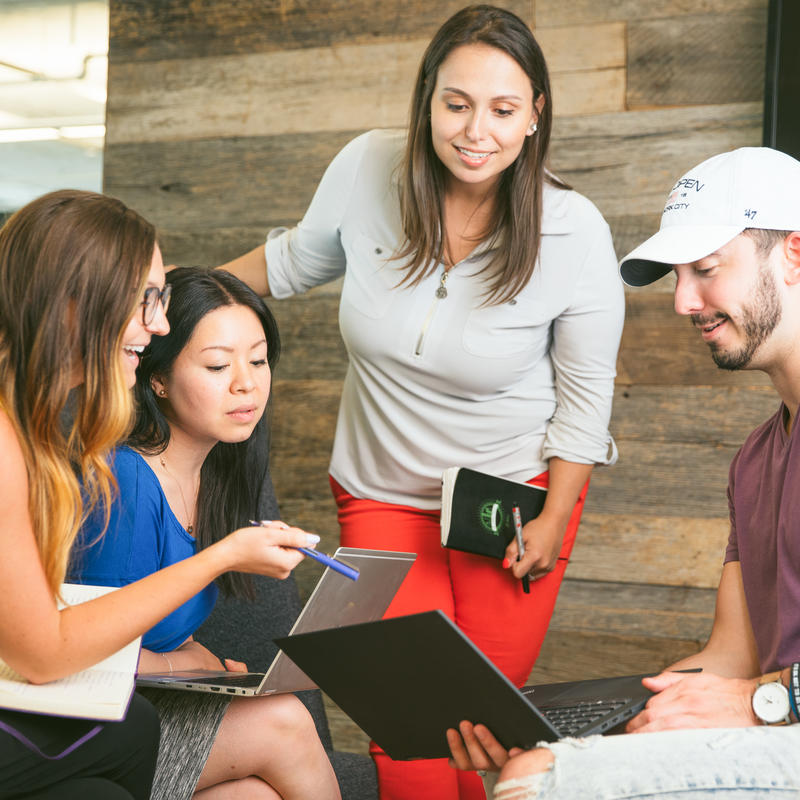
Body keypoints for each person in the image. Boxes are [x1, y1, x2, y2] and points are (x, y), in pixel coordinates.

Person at [219, 5, 624, 799]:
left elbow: (584, 400)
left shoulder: (573, 232)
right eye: (457, 103)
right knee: (408, 725)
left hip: (509, 508)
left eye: (504, 110)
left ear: (536, 115)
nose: (478, 130)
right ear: (428, 99)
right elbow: (295, 260)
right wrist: (156, 298)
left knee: (482, 734)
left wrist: (551, 519)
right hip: (382, 494)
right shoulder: (369, 168)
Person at [447, 145, 800, 799]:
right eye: (676, 276)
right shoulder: (755, 462)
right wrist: (578, 727)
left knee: (538, 785)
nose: (683, 301)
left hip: (784, 728)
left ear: (793, 254)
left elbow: (750, 690)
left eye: (705, 269)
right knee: (540, 760)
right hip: (777, 730)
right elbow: (731, 660)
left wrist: (762, 704)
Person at [0, 189, 323, 800]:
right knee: (132, 737)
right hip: (62, 703)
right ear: (75, 305)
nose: (159, 324)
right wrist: (222, 558)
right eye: (148, 299)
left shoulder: (36, 435)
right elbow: (46, 652)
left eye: (257, 361)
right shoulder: (39, 451)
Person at [69, 267, 341, 800]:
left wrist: (206, 665)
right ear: (158, 379)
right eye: (218, 364)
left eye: (259, 360)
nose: (246, 383)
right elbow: (88, 656)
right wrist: (184, 664)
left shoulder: (216, 472)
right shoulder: (127, 480)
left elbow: (161, 624)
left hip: (148, 704)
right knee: (284, 721)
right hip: (93, 726)